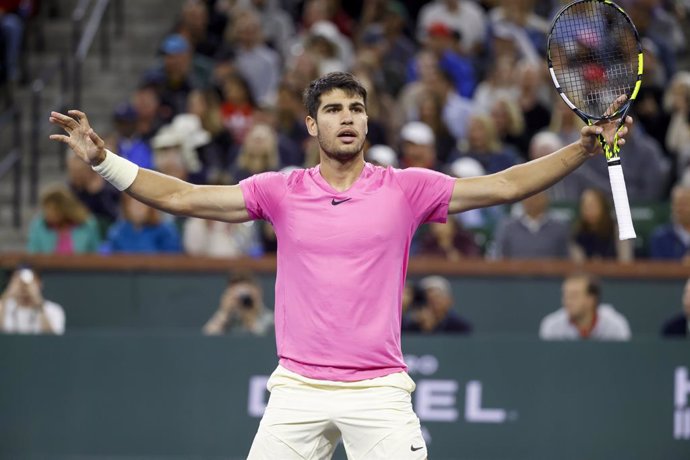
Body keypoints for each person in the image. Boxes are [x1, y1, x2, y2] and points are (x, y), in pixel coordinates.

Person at [49, 71, 631, 460]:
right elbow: (183, 197)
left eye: (356, 109)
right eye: (332, 110)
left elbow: (504, 186)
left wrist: (581, 148)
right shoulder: (279, 190)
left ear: (367, 122)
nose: (347, 118)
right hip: (297, 387)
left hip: (377, 390)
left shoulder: (406, 188)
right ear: (312, 126)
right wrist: (104, 161)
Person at [539, 273, 631, 341]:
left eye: (574, 296)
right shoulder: (552, 325)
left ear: (591, 300)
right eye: (565, 296)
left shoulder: (614, 325)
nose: (567, 301)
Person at [27, 184, 101, 254]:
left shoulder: (87, 226)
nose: (47, 214)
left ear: (64, 209)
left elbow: (96, 255)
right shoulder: (39, 226)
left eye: (52, 209)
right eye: (45, 209)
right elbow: (32, 255)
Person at [203, 272, 274, 336]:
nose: (242, 298)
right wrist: (224, 311)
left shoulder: (272, 320)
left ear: (258, 291)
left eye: (247, 292)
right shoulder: (228, 320)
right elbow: (207, 337)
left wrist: (250, 316)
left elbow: (264, 341)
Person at [0, 266, 65, 335]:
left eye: (32, 281)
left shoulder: (53, 309)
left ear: (40, 283)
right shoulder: (3, 306)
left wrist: (38, 302)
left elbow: (52, 341)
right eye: (18, 281)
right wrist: (7, 295)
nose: (23, 287)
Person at [402, 275, 472, 334]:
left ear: (449, 300)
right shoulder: (409, 325)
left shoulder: (460, 327)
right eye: (428, 299)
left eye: (437, 297)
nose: (433, 304)